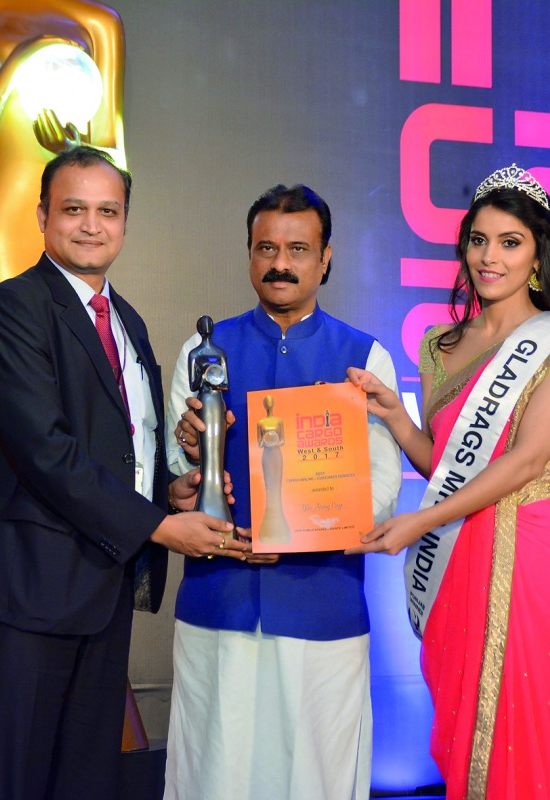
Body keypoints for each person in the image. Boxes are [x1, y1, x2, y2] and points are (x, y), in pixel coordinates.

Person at [346, 165, 550, 799]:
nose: (490, 257)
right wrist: (398, 417)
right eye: (479, 240)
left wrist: (421, 522)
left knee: (533, 723)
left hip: (534, 556)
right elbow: (445, 467)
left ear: (539, 253)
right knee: (464, 729)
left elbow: (531, 459)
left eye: (510, 242)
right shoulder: (439, 347)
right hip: (458, 559)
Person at [0, 145, 248, 800]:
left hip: (102, 589)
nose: (92, 226)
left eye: (107, 211)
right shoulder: (13, 309)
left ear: (125, 221)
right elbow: (46, 452)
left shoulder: (128, 321)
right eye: (74, 210)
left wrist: (171, 495)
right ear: (41, 216)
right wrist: (160, 528)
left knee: (84, 779)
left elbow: (127, 450)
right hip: (29, 594)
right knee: (10, 780)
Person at [165, 184, 403, 799]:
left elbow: (379, 492)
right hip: (221, 601)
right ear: (248, 254)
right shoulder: (202, 350)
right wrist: (189, 478)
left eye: (299, 249)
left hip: (321, 605)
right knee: (214, 770)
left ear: (325, 258)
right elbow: (176, 479)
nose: (281, 263)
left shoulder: (363, 357)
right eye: (266, 247)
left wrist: (299, 532)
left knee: (314, 776)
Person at [0, 0, 127, 302]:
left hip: (74, 218)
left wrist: (73, 153)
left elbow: (117, 163)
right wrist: (18, 62)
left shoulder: (100, 21)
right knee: (7, 334)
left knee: (71, 336)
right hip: (3, 214)